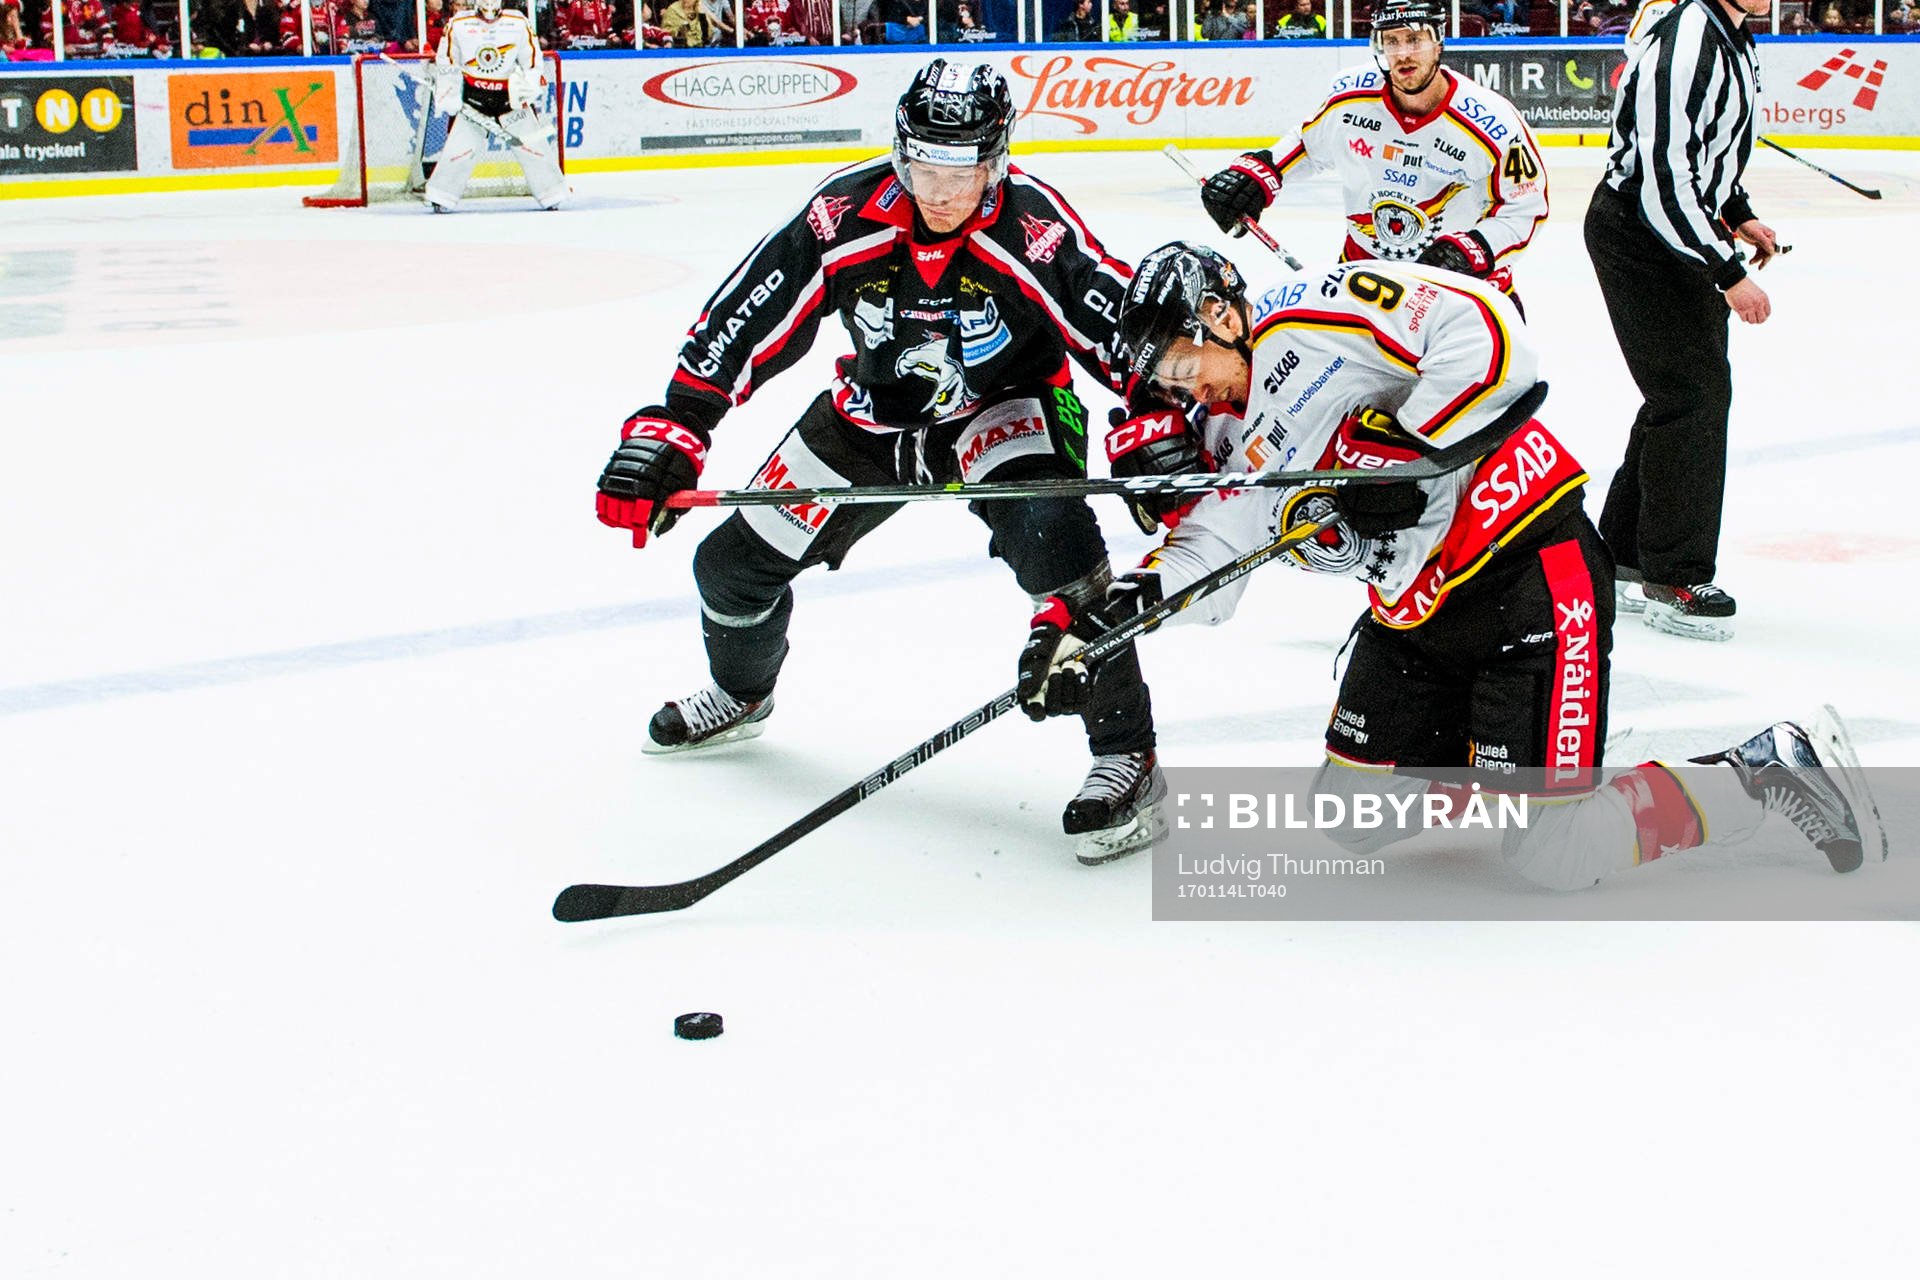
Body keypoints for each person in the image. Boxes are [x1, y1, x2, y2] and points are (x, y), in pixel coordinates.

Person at [1018, 241, 1883, 890]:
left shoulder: (1310, 314)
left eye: (1180, 366)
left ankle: (1767, 769)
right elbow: (1210, 554)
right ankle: (1517, 758)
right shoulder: (1228, 435)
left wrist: (1410, 446)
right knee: (1349, 816)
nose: (1182, 390)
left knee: (1554, 853)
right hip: (1416, 615)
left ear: (1220, 318)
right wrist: (1107, 623)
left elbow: (1487, 325)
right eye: (1164, 383)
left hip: (1530, 575)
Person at [593, 60, 1165, 863]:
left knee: (1059, 547)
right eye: (922, 164)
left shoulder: (1032, 226)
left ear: (997, 158)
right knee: (729, 567)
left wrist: (1163, 415)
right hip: (874, 416)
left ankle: (1126, 755)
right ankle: (743, 691)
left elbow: (1114, 321)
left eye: (959, 169)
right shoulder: (843, 213)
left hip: (1005, 410)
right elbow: (748, 312)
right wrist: (676, 423)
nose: (938, 190)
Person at [1586, 0, 1775, 641]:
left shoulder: (1733, 34)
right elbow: (1662, 177)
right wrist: (1727, 271)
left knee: (1679, 394)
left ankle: (1625, 555)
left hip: (1670, 228)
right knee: (1693, 396)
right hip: (1640, 234)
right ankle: (1673, 574)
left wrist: (1737, 209)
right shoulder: (1688, 38)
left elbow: (1706, 149)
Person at [1199, 0, 1547, 306]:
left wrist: (1472, 248)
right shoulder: (1350, 96)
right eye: (1391, 41)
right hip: (1365, 280)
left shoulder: (1493, 123)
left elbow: (1526, 208)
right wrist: (1257, 177)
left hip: (1461, 290)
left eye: (1414, 39)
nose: (1403, 54)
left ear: (1438, 41)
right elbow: (1307, 144)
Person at [424, 0, 566, 210]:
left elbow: (533, 62)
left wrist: (529, 86)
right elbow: (446, 63)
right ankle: (441, 195)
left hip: (509, 100)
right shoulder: (459, 23)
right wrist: (449, 93)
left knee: (533, 147)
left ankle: (551, 193)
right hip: (474, 100)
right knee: (460, 150)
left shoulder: (517, 22)